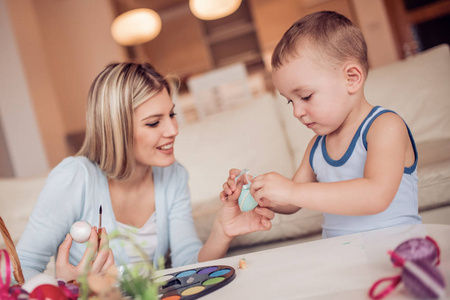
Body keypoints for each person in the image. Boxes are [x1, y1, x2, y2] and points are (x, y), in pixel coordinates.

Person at [16, 62, 274, 282]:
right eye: (153, 122)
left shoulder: (173, 176)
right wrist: (68, 289)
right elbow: (23, 266)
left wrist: (223, 230)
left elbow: (188, 262)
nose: (173, 129)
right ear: (116, 128)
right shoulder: (75, 178)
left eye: (171, 114)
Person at [221, 11, 421, 239]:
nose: (296, 112)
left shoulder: (385, 126)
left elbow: (376, 195)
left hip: (397, 255)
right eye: (290, 101)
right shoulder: (316, 147)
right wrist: (260, 191)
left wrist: (292, 190)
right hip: (339, 258)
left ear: (352, 78)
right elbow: (292, 203)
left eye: (305, 97)